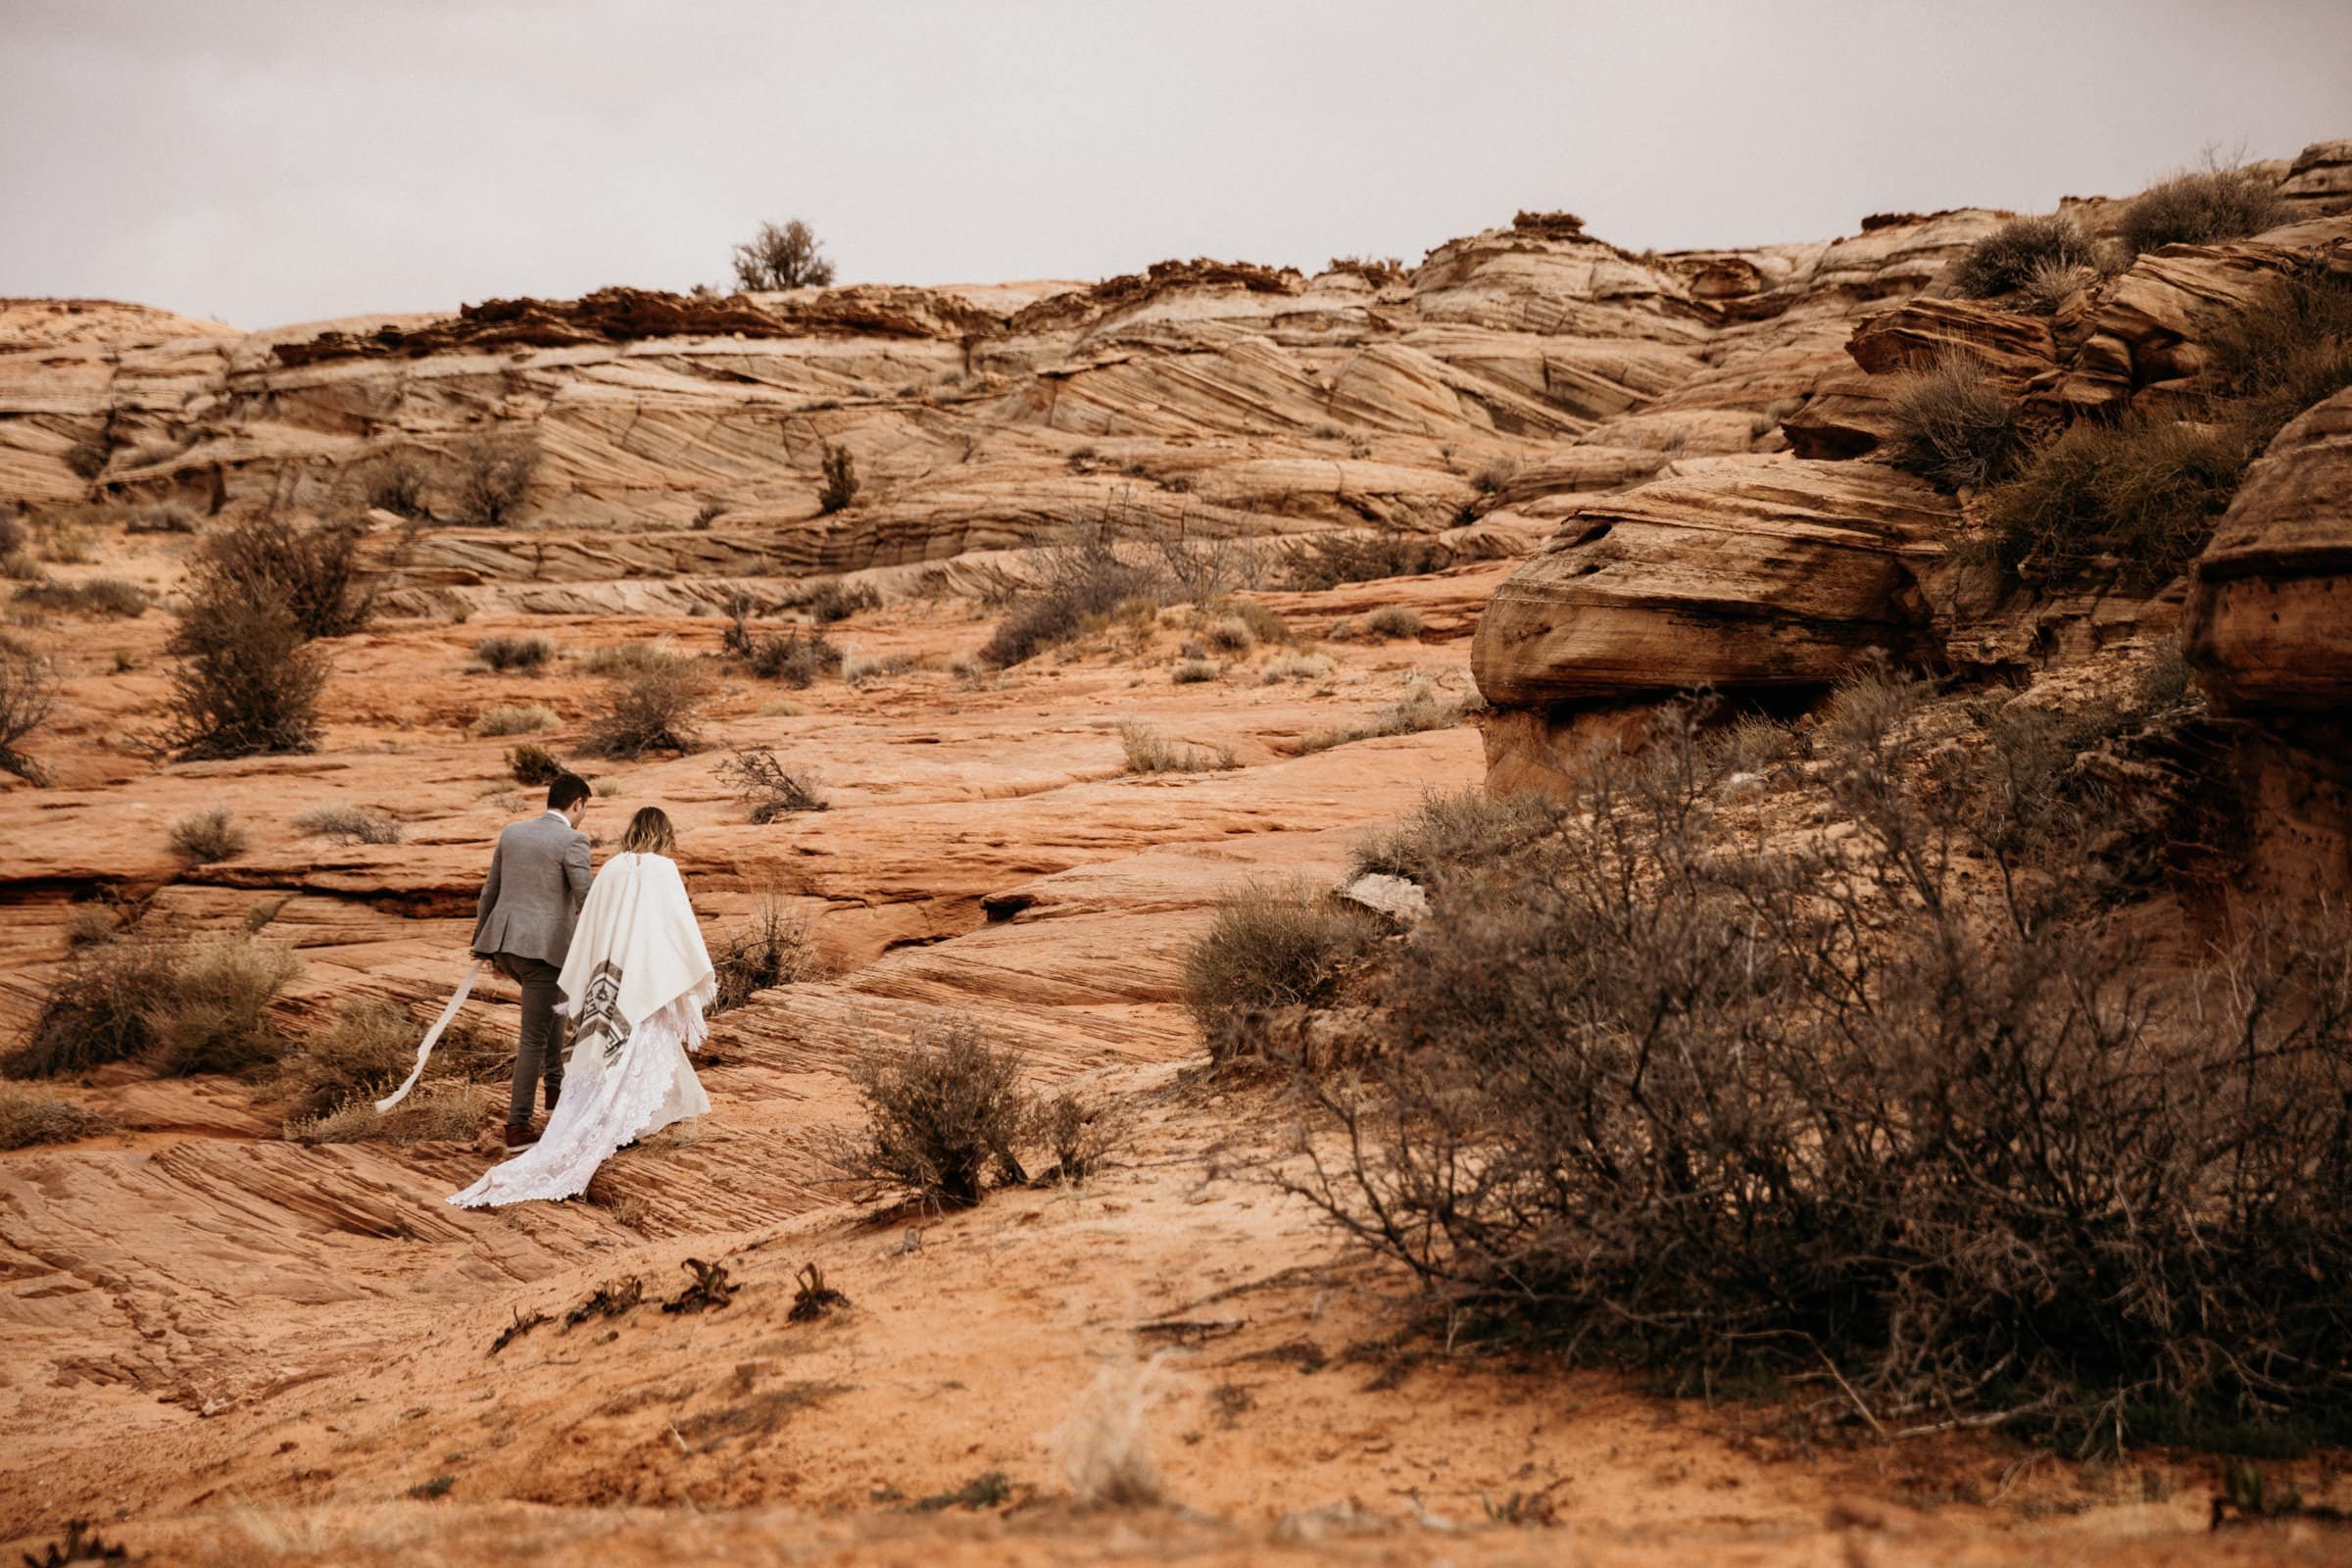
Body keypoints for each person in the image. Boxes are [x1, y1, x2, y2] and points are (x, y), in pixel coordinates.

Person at [452, 807, 715, 1208]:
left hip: (608, 978)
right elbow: (678, 928)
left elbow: (590, 920)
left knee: (625, 1054)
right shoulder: (664, 870)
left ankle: (640, 1115)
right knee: (644, 1048)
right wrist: (685, 971)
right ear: (664, 834)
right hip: (646, 975)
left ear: (633, 829)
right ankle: (626, 1124)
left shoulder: (611, 868)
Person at [471, 771, 594, 1150]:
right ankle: (517, 1126)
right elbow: (585, 898)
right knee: (533, 1036)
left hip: (508, 946)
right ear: (577, 804)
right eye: (585, 809)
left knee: (556, 1009)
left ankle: (556, 1090)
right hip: (544, 951)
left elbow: (490, 890)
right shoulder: (573, 840)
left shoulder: (513, 832)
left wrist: (483, 946)